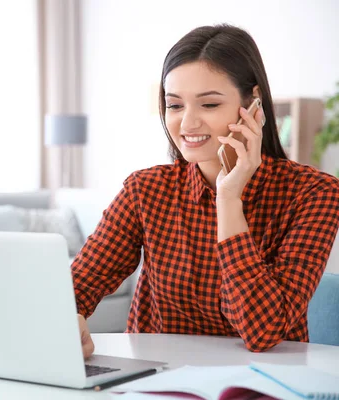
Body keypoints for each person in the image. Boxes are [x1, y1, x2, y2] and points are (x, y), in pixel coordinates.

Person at [73, 24, 339, 357]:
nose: (187, 124)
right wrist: (68, 319)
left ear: (253, 106)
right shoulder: (145, 189)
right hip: (157, 383)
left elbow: (263, 332)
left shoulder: (315, 194)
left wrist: (228, 199)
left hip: (260, 384)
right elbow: (77, 288)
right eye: (175, 106)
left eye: (209, 105)